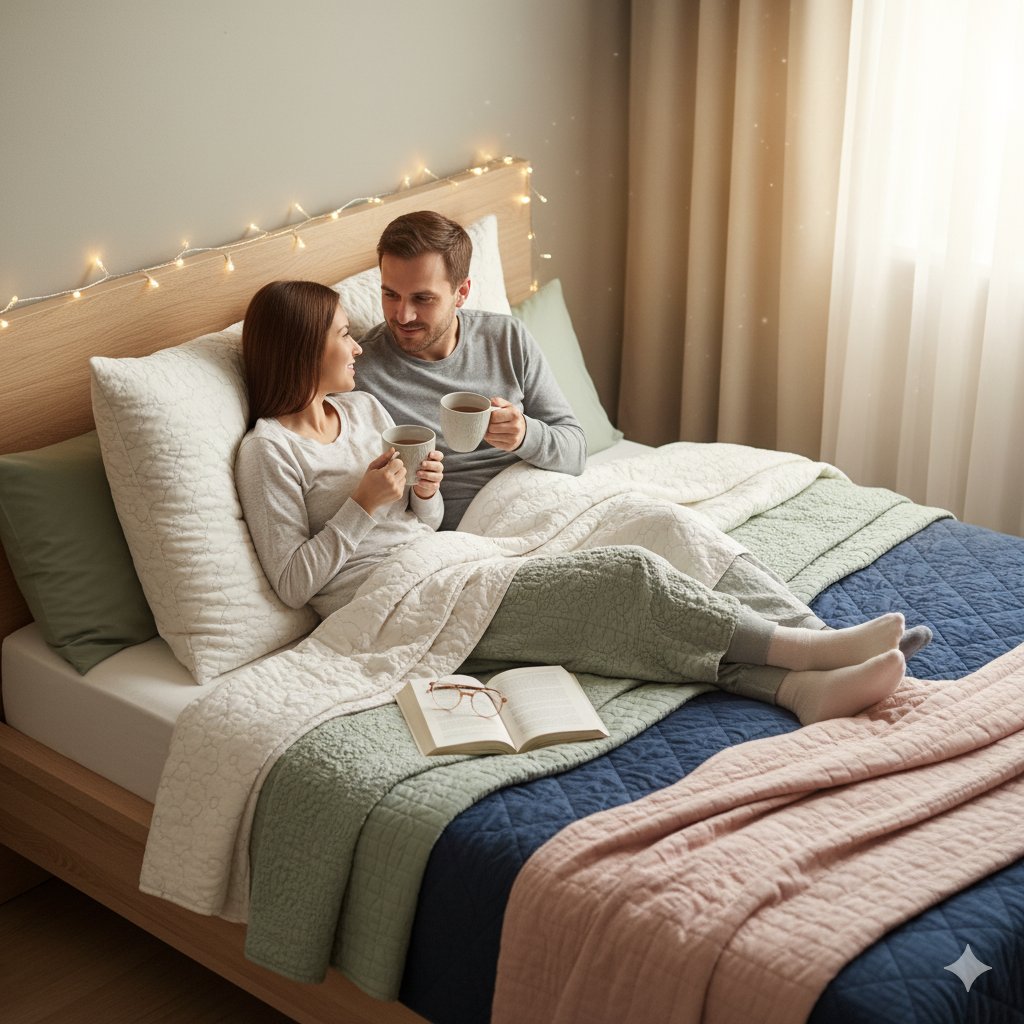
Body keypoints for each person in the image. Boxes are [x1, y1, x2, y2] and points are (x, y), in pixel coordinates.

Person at [234, 280, 918, 728]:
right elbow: (293, 582)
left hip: (446, 558)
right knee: (624, 580)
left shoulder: (359, 410)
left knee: (652, 539)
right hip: (392, 609)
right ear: (302, 349)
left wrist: (423, 492)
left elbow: (428, 522)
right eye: (341, 335)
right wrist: (360, 505)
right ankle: (809, 658)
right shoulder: (268, 451)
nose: (359, 344)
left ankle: (805, 677)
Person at [354, 210, 586, 531]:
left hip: (549, 501)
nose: (403, 315)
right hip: (474, 533)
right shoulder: (361, 372)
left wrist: (524, 435)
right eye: (390, 294)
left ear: (462, 292)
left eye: (422, 298)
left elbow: (576, 452)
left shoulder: (507, 337)